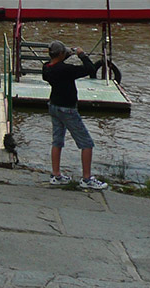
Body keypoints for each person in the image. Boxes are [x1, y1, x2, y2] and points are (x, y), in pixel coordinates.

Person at [42, 40, 108, 190]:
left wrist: (67, 54)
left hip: (54, 106)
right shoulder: (67, 70)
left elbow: (56, 62)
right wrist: (81, 54)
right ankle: (87, 179)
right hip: (68, 110)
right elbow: (90, 69)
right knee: (87, 143)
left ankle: (56, 175)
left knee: (57, 141)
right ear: (61, 54)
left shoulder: (46, 68)